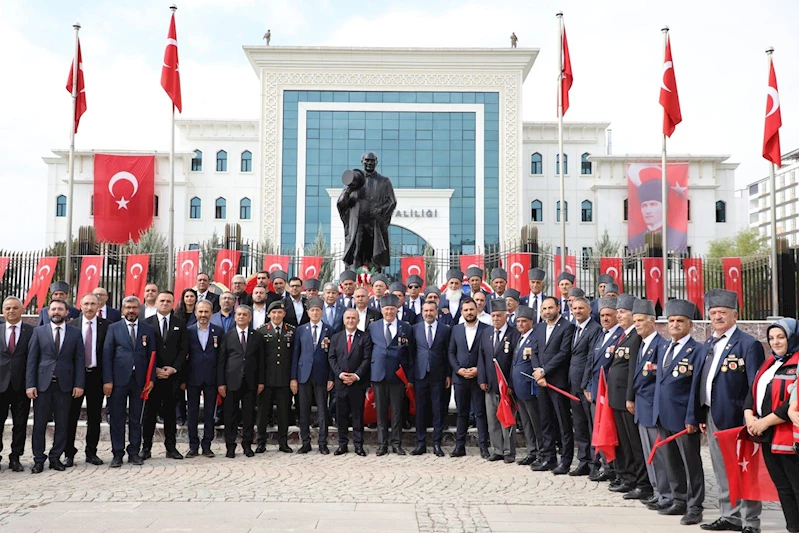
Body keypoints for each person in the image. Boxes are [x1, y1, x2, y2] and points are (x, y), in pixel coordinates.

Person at [699, 289, 765, 533]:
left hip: (738, 418)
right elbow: (703, 379)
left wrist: (751, 416)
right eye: (713, 312)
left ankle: (750, 521)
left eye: (722, 312)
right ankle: (730, 515)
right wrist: (700, 413)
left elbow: (755, 386)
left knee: (744, 469)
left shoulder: (748, 344)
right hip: (712, 415)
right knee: (722, 470)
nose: (717, 317)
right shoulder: (709, 343)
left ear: (735, 315)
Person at [652, 299, 705, 526]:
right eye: (671, 321)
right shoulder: (663, 347)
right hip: (663, 414)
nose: (674, 324)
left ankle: (695, 506)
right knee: (671, 461)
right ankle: (679, 499)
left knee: (691, 463)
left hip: (684, 417)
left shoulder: (697, 350)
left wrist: (693, 417)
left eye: (680, 321)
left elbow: (696, 386)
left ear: (690, 325)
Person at [744, 318, 799, 533]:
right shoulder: (769, 362)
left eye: (781, 337)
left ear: (792, 337)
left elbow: (793, 403)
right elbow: (754, 390)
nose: (775, 342)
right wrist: (749, 417)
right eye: (771, 338)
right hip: (767, 435)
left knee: (796, 486)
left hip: (788, 435)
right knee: (783, 487)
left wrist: (765, 421)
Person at [26, 299, 84, 473]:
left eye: (60, 309)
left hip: (65, 386)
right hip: (42, 386)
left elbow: (79, 360)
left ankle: (55, 457)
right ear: (48, 312)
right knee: (39, 424)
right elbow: (32, 360)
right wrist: (30, 385)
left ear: (67, 312)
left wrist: (79, 384)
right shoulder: (39, 332)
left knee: (62, 423)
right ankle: (38, 459)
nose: (56, 312)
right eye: (53, 309)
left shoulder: (75, 333)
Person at [103, 296, 156, 467]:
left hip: (140, 381)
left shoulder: (147, 329)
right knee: (117, 418)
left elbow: (152, 356)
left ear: (139, 310)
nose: (131, 311)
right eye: (127, 308)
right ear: (122, 310)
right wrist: (108, 380)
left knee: (136, 418)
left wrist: (151, 380)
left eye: (134, 307)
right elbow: (107, 355)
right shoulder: (113, 328)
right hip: (118, 381)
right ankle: (117, 453)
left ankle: (134, 452)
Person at [607, 294, 652, 499]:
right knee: (624, 443)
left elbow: (633, 369)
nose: (619, 315)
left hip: (627, 400)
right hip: (616, 398)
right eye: (618, 311)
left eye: (623, 311)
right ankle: (628, 478)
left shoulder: (635, 338)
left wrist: (629, 397)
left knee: (634, 444)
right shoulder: (624, 336)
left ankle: (642, 483)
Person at [632, 299, 674, 512]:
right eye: (635, 320)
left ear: (652, 321)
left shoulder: (660, 345)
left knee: (658, 455)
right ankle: (658, 492)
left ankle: (666, 494)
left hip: (652, 408)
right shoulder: (643, 344)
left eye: (640, 320)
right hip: (642, 407)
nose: (637, 324)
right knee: (650, 455)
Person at [530, 296, 574, 474]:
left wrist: (544, 371)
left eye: (550, 308)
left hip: (557, 382)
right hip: (541, 382)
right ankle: (548, 458)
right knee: (545, 421)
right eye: (544, 309)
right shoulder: (539, 327)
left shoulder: (567, 327)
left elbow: (564, 353)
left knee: (563, 422)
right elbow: (534, 351)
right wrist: (537, 371)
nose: (547, 311)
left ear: (558, 308)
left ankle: (566, 460)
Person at [142, 291, 188, 460]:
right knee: (149, 415)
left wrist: (173, 369)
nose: (165, 303)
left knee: (170, 415)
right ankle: (146, 448)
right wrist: (154, 370)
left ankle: (171, 448)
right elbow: (143, 351)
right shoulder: (146, 323)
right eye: (162, 300)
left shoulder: (180, 324)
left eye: (168, 301)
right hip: (152, 378)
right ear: (156, 302)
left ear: (172, 303)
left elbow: (184, 350)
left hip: (172, 378)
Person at [64, 293, 108, 467]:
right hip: (75, 378)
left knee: (95, 416)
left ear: (99, 306)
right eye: (86, 304)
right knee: (71, 416)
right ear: (80, 306)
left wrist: (108, 380)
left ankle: (91, 452)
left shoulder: (107, 326)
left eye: (93, 304)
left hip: (97, 377)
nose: (89, 307)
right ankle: (69, 453)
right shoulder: (71, 326)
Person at [582, 296, 623, 482]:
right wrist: (586, 385)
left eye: (609, 315)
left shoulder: (620, 336)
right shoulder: (600, 334)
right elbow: (591, 361)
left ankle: (614, 468)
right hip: (595, 390)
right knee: (597, 430)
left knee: (610, 431)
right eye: (603, 315)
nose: (605, 318)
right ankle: (604, 466)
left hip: (609, 393)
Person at [368, 294, 414, 456]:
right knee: (380, 412)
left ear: (397, 310)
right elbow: (368, 351)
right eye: (386, 309)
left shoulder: (406, 327)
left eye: (392, 309)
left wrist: (409, 377)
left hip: (397, 375)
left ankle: (396, 443)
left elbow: (410, 353)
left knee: (396, 412)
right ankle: (382, 444)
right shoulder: (373, 327)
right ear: (382, 310)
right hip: (378, 373)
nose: (389, 312)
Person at [217, 305, 264, 458]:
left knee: (248, 415)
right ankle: (230, 446)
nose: (241, 317)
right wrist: (221, 383)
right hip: (231, 381)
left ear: (250, 318)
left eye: (245, 315)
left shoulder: (257, 336)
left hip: (251, 381)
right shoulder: (227, 336)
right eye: (239, 314)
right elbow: (222, 361)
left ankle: (247, 445)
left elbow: (262, 361)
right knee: (230, 415)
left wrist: (261, 381)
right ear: (235, 317)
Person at [337, 152, 397, 271]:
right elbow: (341, 203)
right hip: (358, 225)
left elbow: (392, 201)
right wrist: (349, 190)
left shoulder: (384, 181)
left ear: (376, 162)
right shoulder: (354, 180)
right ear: (362, 162)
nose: (369, 163)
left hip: (374, 225)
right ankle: (354, 279)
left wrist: (380, 209)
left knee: (374, 256)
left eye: (372, 160)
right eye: (367, 160)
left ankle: (374, 281)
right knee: (356, 254)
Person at [478, 298, 520, 463]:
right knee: (492, 419)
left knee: (507, 419)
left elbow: (515, 361)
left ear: (505, 316)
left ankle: (509, 452)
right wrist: (482, 378)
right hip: (490, 384)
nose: (495, 319)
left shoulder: (514, 333)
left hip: (506, 387)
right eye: (493, 315)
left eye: (498, 316)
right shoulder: (486, 333)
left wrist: (510, 383)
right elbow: (481, 358)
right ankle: (498, 450)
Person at [290, 297, 333, 454]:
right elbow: (295, 354)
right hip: (303, 375)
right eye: (312, 310)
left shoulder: (329, 330)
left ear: (322, 312)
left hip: (322, 375)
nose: (315, 312)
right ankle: (305, 442)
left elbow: (331, 357)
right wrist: (293, 377)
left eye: (318, 310)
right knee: (304, 410)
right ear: (308, 312)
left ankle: (323, 442)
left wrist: (331, 377)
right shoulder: (301, 330)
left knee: (322, 410)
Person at [448, 297, 490, 458]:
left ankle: (484, 447)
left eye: (471, 309)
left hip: (478, 378)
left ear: (476, 310)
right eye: (465, 310)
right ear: (461, 312)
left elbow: (489, 353)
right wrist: (458, 370)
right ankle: (459, 447)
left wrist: (479, 370)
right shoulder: (456, 329)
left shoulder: (486, 329)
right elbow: (451, 352)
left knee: (480, 413)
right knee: (461, 413)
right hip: (460, 378)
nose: (469, 312)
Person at [328, 308, 372, 456]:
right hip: (341, 383)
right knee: (341, 416)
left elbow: (367, 359)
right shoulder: (336, 337)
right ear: (343, 320)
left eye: (353, 318)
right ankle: (342, 445)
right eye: (348, 318)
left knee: (358, 415)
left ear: (358, 320)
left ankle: (359, 445)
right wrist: (340, 375)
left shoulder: (365, 337)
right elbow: (332, 358)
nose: (350, 321)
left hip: (357, 383)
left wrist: (356, 375)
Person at [411, 300, 452, 457]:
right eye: (426, 310)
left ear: (436, 312)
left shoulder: (445, 330)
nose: (428, 313)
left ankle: (437, 443)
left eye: (431, 310)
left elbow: (448, 353)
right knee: (420, 410)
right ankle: (420, 443)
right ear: (422, 312)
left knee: (438, 410)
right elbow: (411, 353)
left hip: (438, 375)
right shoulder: (415, 329)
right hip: (420, 375)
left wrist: (448, 374)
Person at [256, 301, 296, 454]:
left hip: (284, 380)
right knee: (262, 413)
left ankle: (283, 443)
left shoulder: (291, 331)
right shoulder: (261, 331)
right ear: (268, 314)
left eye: (279, 312)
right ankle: (261, 442)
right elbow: (258, 359)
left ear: (284, 314)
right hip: (266, 380)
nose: (277, 315)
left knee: (283, 413)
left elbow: (294, 356)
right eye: (273, 313)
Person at [568, 296, 602, 476]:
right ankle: (583, 461)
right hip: (573, 385)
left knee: (591, 426)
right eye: (575, 308)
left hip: (586, 386)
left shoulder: (594, 329)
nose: (578, 311)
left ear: (589, 309)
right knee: (579, 425)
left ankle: (595, 464)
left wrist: (587, 384)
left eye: (581, 308)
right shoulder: (575, 329)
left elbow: (591, 359)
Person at [184, 300, 222, 458]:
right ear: (195, 313)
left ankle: (207, 445)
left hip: (211, 379)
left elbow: (221, 358)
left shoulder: (218, 331)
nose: (203, 315)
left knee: (209, 414)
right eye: (200, 312)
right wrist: (183, 380)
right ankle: (193, 446)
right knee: (192, 413)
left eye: (206, 312)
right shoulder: (188, 331)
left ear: (211, 313)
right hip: (193, 378)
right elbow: (184, 357)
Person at [0, 297, 33, 472]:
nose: (11, 311)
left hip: (22, 386)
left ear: (22, 310)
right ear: (3, 311)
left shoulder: (31, 331)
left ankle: (15, 457)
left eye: (14, 308)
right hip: (0, 386)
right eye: (7, 308)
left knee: (20, 424)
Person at [510, 305, 542, 466]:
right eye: (518, 321)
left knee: (535, 421)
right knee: (526, 422)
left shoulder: (534, 338)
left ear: (531, 322)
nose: (520, 324)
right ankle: (531, 451)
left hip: (530, 387)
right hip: (519, 388)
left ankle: (541, 452)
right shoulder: (519, 338)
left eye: (524, 321)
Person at [629, 178, 688, 253]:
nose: (648, 211)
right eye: (644, 206)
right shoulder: (634, 239)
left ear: (665, 206)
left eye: (653, 204)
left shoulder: (679, 237)